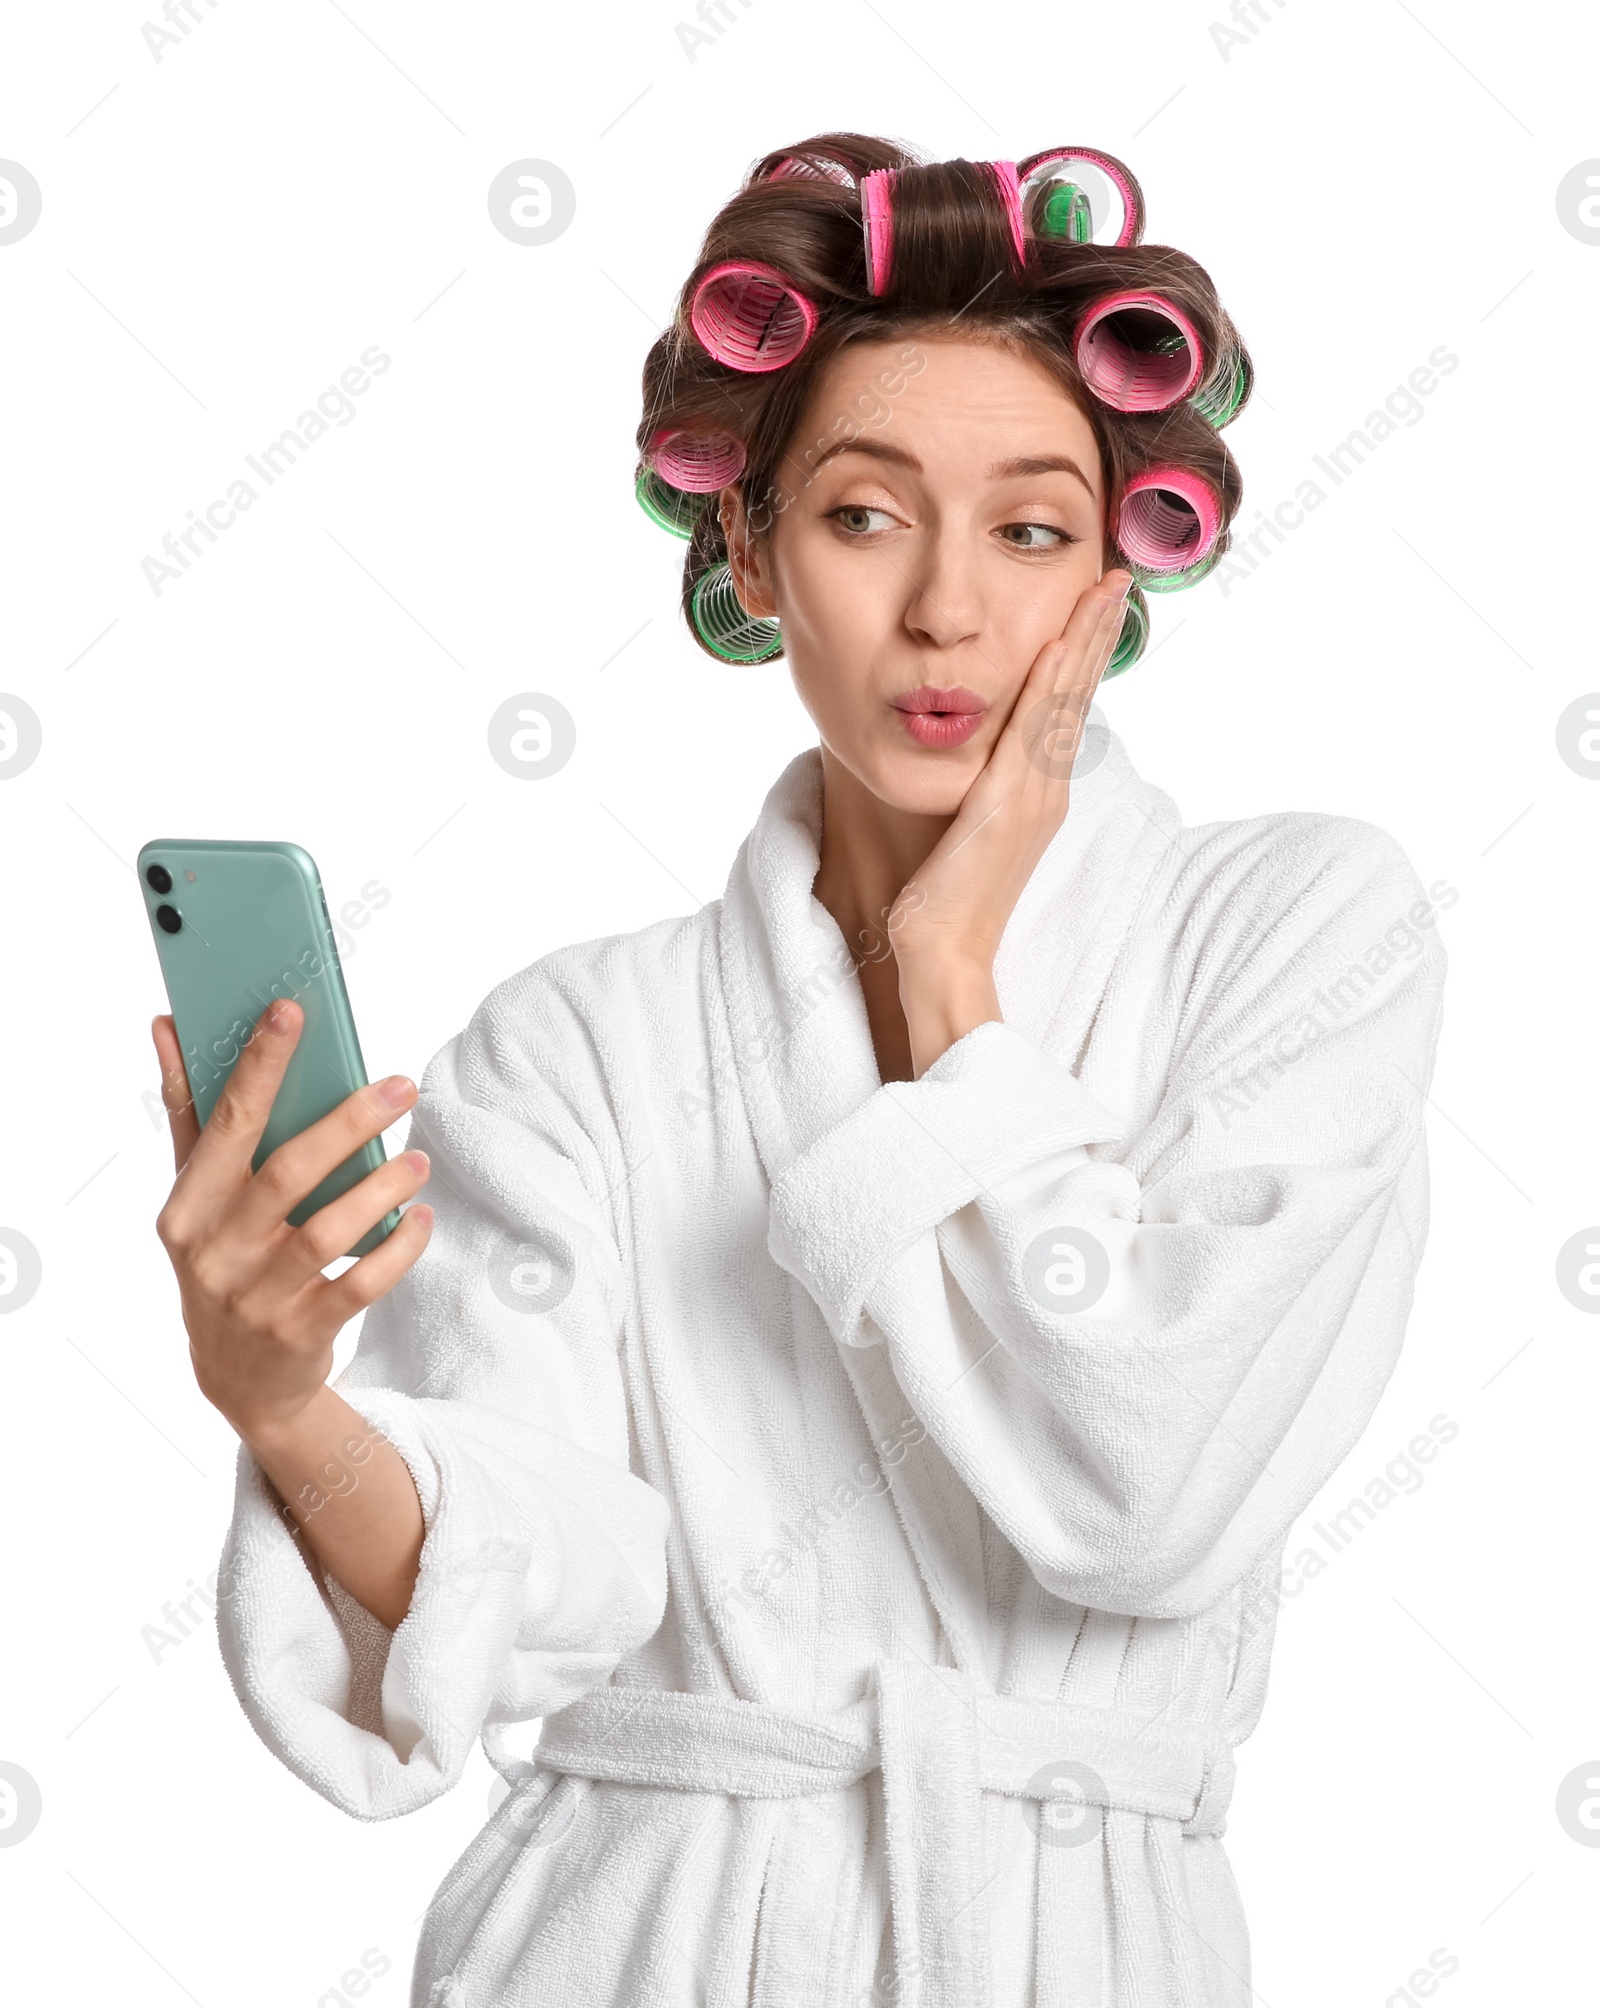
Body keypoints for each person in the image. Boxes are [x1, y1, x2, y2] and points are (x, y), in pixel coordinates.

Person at [150, 134, 1447, 2008]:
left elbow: (1150, 1494)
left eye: (1026, 528)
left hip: (1070, 1938)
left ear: (1115, 569)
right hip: (632, 1938)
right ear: (750, 543)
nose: (944, 613)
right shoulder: (579, 1042)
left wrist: (950, 989)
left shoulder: (1295, 928)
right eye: (861, 515)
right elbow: (549, 1573)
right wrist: (280, 1403)